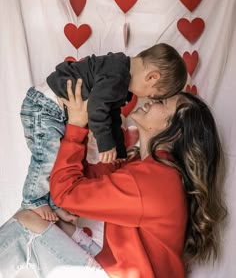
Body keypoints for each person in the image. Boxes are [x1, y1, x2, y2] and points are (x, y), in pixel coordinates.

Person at [0, 80, 226, 278]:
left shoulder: (155, 179)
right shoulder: (143, 168)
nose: (153, 98)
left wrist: (77, 126)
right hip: (114, 266)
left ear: (174, 130)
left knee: (27, 223)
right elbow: (81, 178)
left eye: (163, 102)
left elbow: (66, 192)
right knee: (41, 218)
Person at [20, 43, 187, 221]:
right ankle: (32, 200)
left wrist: (120, 151)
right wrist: (105, 145)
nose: (148, 99)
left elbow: (111, 116)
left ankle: (54, 203)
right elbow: (96, 108)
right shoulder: (116, 75)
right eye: (154, 96)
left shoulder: (121, 80)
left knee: (57, 159)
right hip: (44, 106)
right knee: (48, 157)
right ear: (152, 77)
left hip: (57, 111)